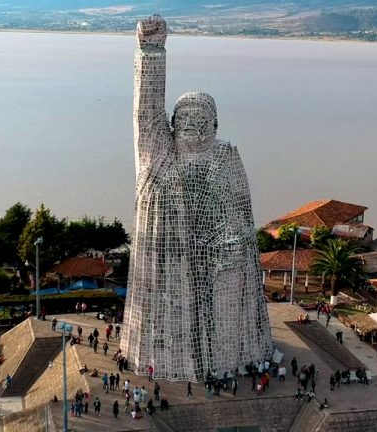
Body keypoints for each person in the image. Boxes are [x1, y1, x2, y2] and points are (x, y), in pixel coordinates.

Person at [121, 14, 273, 382]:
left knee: (224, 315)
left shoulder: (225, 156)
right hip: (167, 267)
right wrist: (151, 51)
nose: (191, 121)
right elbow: (145, 113)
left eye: (200, 116)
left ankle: (227, 361)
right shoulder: (159, 154)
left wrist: (229, 243)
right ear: (171, 124)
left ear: (215, 125)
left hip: (220, 265)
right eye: (183, 116)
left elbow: (239, 213)